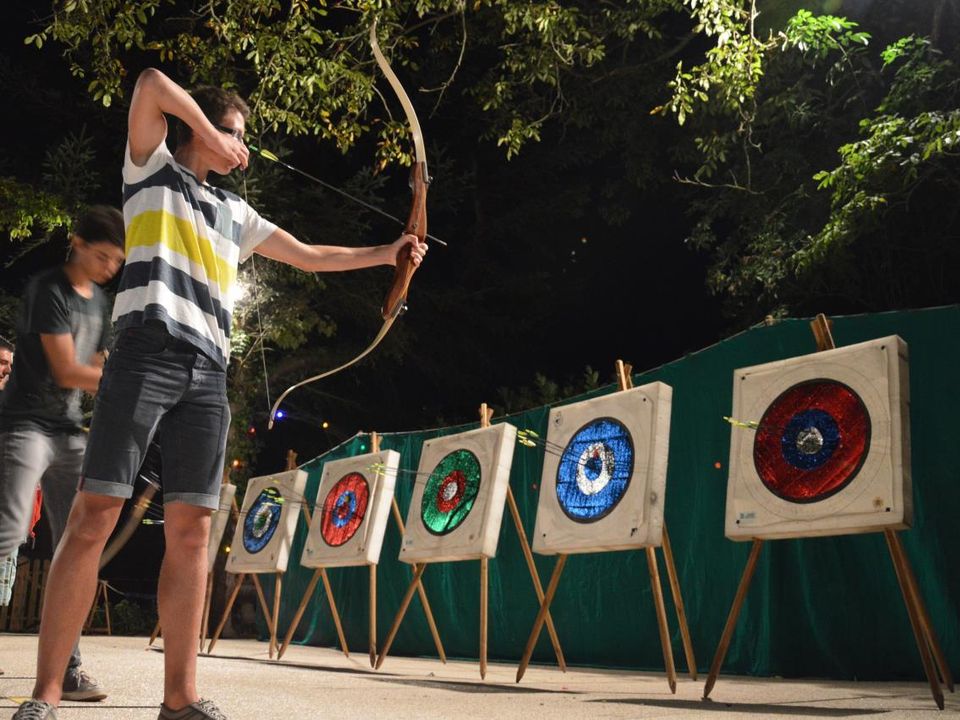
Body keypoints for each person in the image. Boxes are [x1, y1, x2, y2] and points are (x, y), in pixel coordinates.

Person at [15, 67, 427, 720]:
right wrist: (207, 125)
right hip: (143, 352)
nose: (238, 146)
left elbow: (311, 255)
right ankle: (46, 694)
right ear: (197, 129)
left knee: (194, 529)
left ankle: (179, 698)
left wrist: (388, 255)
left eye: (239, 135)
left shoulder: (235, 213)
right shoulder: (149, 169)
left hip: (208, 371)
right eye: (231, 133)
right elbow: (150, 82)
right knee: (95, 514)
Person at [0, 206, 125, 705]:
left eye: (117, 261)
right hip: (25, 425)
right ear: (76, 243)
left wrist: (118, 384)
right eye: (101, 256)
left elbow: (95, 370)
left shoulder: (102, 304)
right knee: (8, 531)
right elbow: (69, 372)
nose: (109, 268)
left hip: (70, 431)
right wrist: (129, 383)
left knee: (79, 542)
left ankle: (68, 668)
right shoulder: (47, 290)